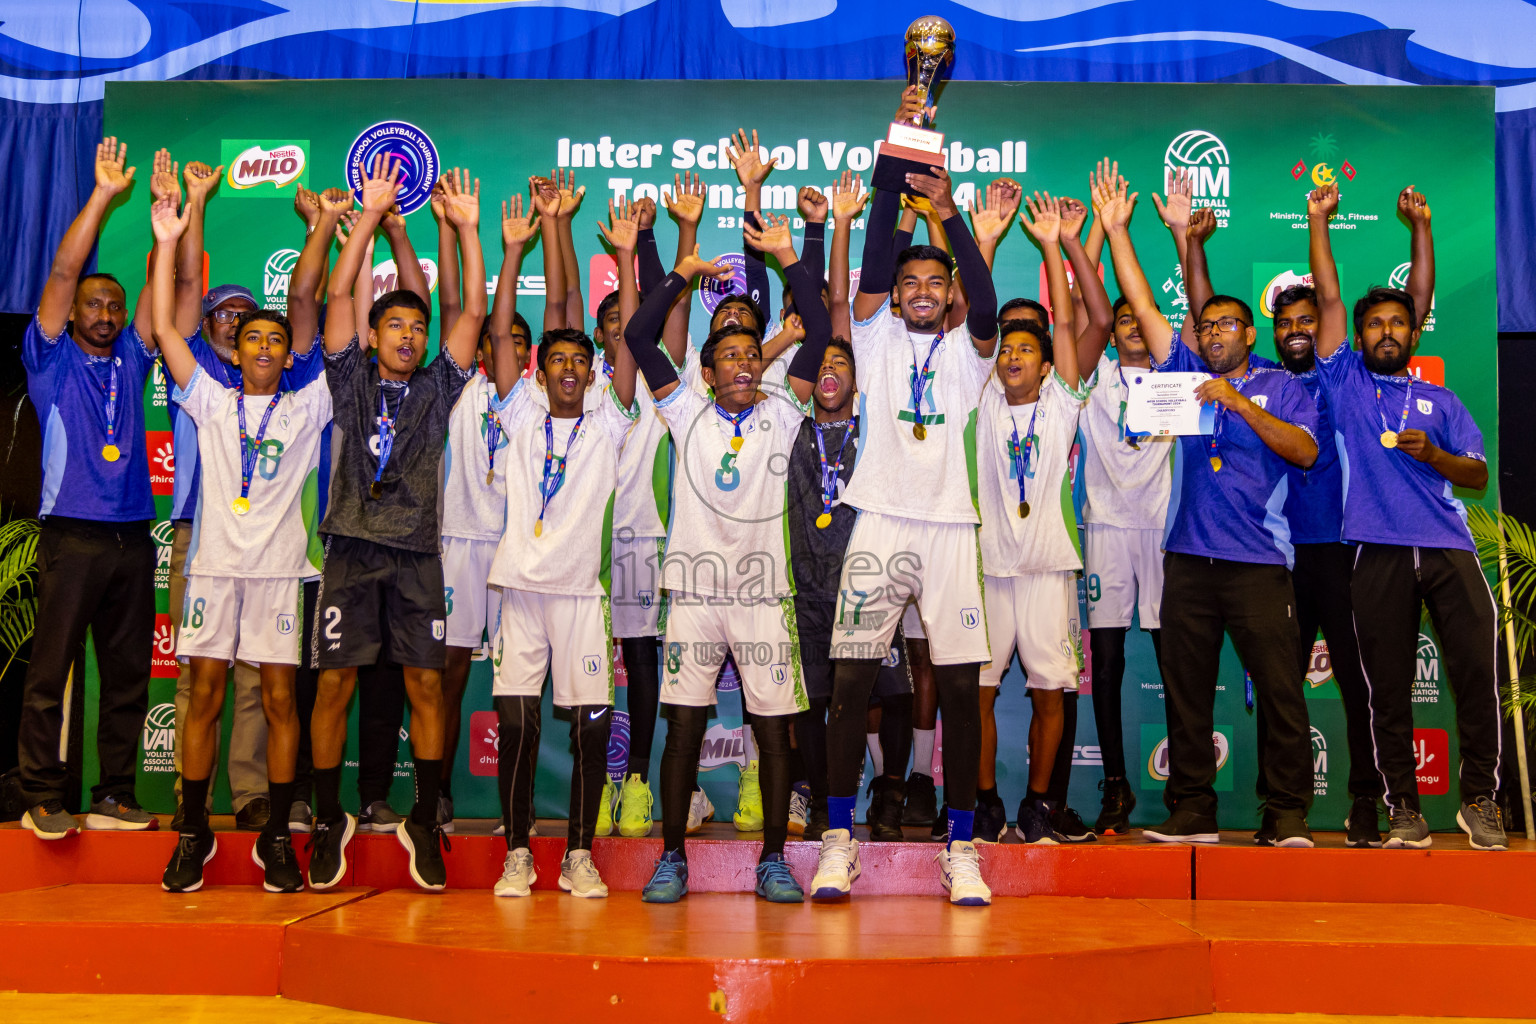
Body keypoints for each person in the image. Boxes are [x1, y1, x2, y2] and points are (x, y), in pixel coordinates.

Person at [812, 86, 999, 907]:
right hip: (879, 518)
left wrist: (950, 212)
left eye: (936, 281)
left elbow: (988, 303)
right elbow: (881, 252)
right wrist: (906, 134)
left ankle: (961, 848)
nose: (920, 289)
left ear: (949, 291)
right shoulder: (876, 331)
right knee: (851, 684)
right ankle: (837, 840)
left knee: (958, 688)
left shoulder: (968, 352)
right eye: (911, 279)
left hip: (952, 528)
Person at [1101, 175, 1320, 847]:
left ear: (1250, 332)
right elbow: (1140, 302)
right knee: (1187, 693)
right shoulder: (1184, 371)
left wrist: (1239, 403)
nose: (1215, 331)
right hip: (1189, 561)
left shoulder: (1283, 384)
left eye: (1228, 323)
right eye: (1206, 324)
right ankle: (1192, 810)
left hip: (1258, 564)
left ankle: (1284, 816)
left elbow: (1306, 453)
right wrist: (1115, 230)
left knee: (1282, 694)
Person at [626, 215, 830, 905]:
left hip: (765, 597)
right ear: (708, 373)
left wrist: (787, 257)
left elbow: (824, 334)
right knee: (682, 726)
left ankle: (773, 859)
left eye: (752, 353)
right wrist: (682, 273)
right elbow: (635, 337)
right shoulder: (684, 412)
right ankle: (672, 858)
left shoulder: (784, 410)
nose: (744, 362)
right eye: (729, 356)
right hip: (694, 597)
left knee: (775, 732)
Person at [305, 160, 485, 892]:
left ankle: (423, 817)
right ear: (374, 334)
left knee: (427, 687)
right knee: (334, 688)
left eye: (417, 326)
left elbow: (471, 314)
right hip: (350, 550)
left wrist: (467, 233)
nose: (409, 337)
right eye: (396, 325)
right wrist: (371, 216)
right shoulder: (347, 378)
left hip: (416, 557)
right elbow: (339, 290)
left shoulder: (440, 388)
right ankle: (326, 819)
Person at [1312, 188, 1507, 851]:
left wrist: (1441, 457)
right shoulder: (1345, 385)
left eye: (1399, 323)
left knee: (1477, 676)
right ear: (1360, 338)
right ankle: (1404, 809)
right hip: (1378, 550)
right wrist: (1318, 221)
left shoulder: (1442, 399)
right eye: (1375, 325)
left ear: (1413, 332)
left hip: (1448, 547)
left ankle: (1480, 799)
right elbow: (1332, 300)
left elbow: (1478, 474)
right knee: (1387, 688)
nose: (1387, 331)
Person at [148, 196, 330, 893]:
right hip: (216, 573)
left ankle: (277, 835)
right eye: (250, 337)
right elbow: (166, 326)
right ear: (234, 349)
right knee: (204, 699)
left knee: (282, 702)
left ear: (287, 355)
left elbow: (309, 296)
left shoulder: (309, 404)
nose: (262, 346)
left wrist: (324, 230)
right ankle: (193, 833)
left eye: (274, 340)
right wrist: (168, 238)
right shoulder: (211, 400)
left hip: (280, 578)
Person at [488, 191, 641, 899]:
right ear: (540, 370)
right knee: (516, 726)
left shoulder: (610, 419)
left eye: (583, 359)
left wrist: (627, 257)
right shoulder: (518, 409)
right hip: (519, 589)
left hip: (582, 596)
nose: (572, 367)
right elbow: (511, 333)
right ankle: (518, 852)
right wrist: (522, 247)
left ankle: (579, 854)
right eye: (558, 359)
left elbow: (630, 339)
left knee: (587, 729)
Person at [18, 137, 161, 839]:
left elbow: (173, 296)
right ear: (72, 313)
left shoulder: (133, 355)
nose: (105, 314)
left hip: (133, 534)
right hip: (71, 531)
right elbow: (63, 267)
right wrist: (104, 194)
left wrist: (174, 223)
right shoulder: (48, 358)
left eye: (115, 305)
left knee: (128, 675)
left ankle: (113, 793)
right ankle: (44, 794)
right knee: (52, 671)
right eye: (93, 305)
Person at [974, 193, 1093, 846]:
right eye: (1006, 349)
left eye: (1028, 349)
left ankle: (1040, 803)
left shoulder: (1061, 406)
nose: (1013, 355)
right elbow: (977, 327)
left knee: (1051, 693)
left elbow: (1069, 330)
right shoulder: (987, 403)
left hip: (1048, 567)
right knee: (983, 691)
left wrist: (1053, 244)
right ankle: (988, 801)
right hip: (991, 568)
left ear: (1046, 367)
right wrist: (986, 244)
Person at [434, 181, 533, 835]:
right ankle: (434, 793)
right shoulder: (459, 382)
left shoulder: (540, 397)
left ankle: (512, 808)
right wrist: (450, 228)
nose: (512, 348)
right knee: (444, 673)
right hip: (460, 542)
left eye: (522, 343)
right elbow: (455, 305)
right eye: (506, 341)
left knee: (517, 685)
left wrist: (516, 253)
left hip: (518, 549)